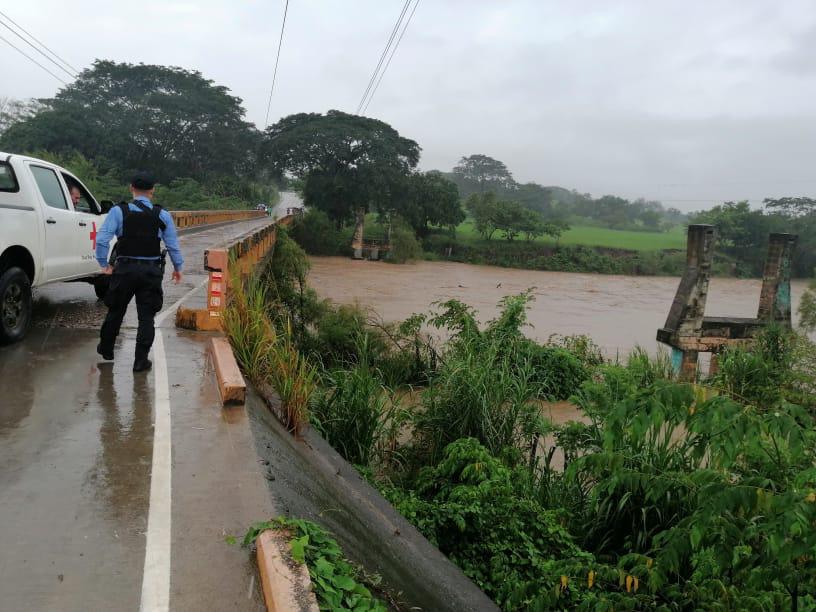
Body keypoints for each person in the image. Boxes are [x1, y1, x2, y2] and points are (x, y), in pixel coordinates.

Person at [95, 172, 183, 372]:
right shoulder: (162, 215)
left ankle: (107, 349)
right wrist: (178, 268)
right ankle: (140, 361)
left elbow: (101, 240)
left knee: (116, 310)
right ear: (152, 190)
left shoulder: (119, 211)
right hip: (150, 272)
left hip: (124, 268)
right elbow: (173, 246)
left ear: (131, 188)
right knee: (146, 317)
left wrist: (104, 264)